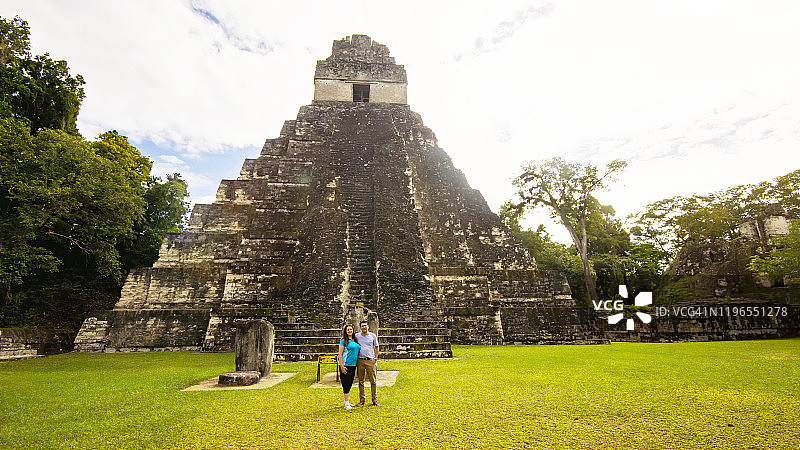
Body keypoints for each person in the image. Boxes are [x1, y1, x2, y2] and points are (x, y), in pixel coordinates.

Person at [355, 320, 380, 406]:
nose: (364, 327)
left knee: (373, 381)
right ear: (360, 327)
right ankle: (362, 399)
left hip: (370, 360)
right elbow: (349, 340)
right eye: (362, 326)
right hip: (360, 360)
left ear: (368, 326)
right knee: (361, 381)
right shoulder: (357, 336)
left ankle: (374, 399)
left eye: (365, 325)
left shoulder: (372, 336)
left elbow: (376, 347)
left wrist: (375, 358)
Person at [337, 324, 360, 410]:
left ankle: (346, 401)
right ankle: (346, 403)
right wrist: (342, 365)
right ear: (345, 332)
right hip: (346, 364)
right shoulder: (343, 341)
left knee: (350, 382)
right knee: (346, 383)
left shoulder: (355, 340)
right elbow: (340, 354)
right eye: (348, 330)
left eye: (351, 329)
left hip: (353, 365)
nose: (349, 331)